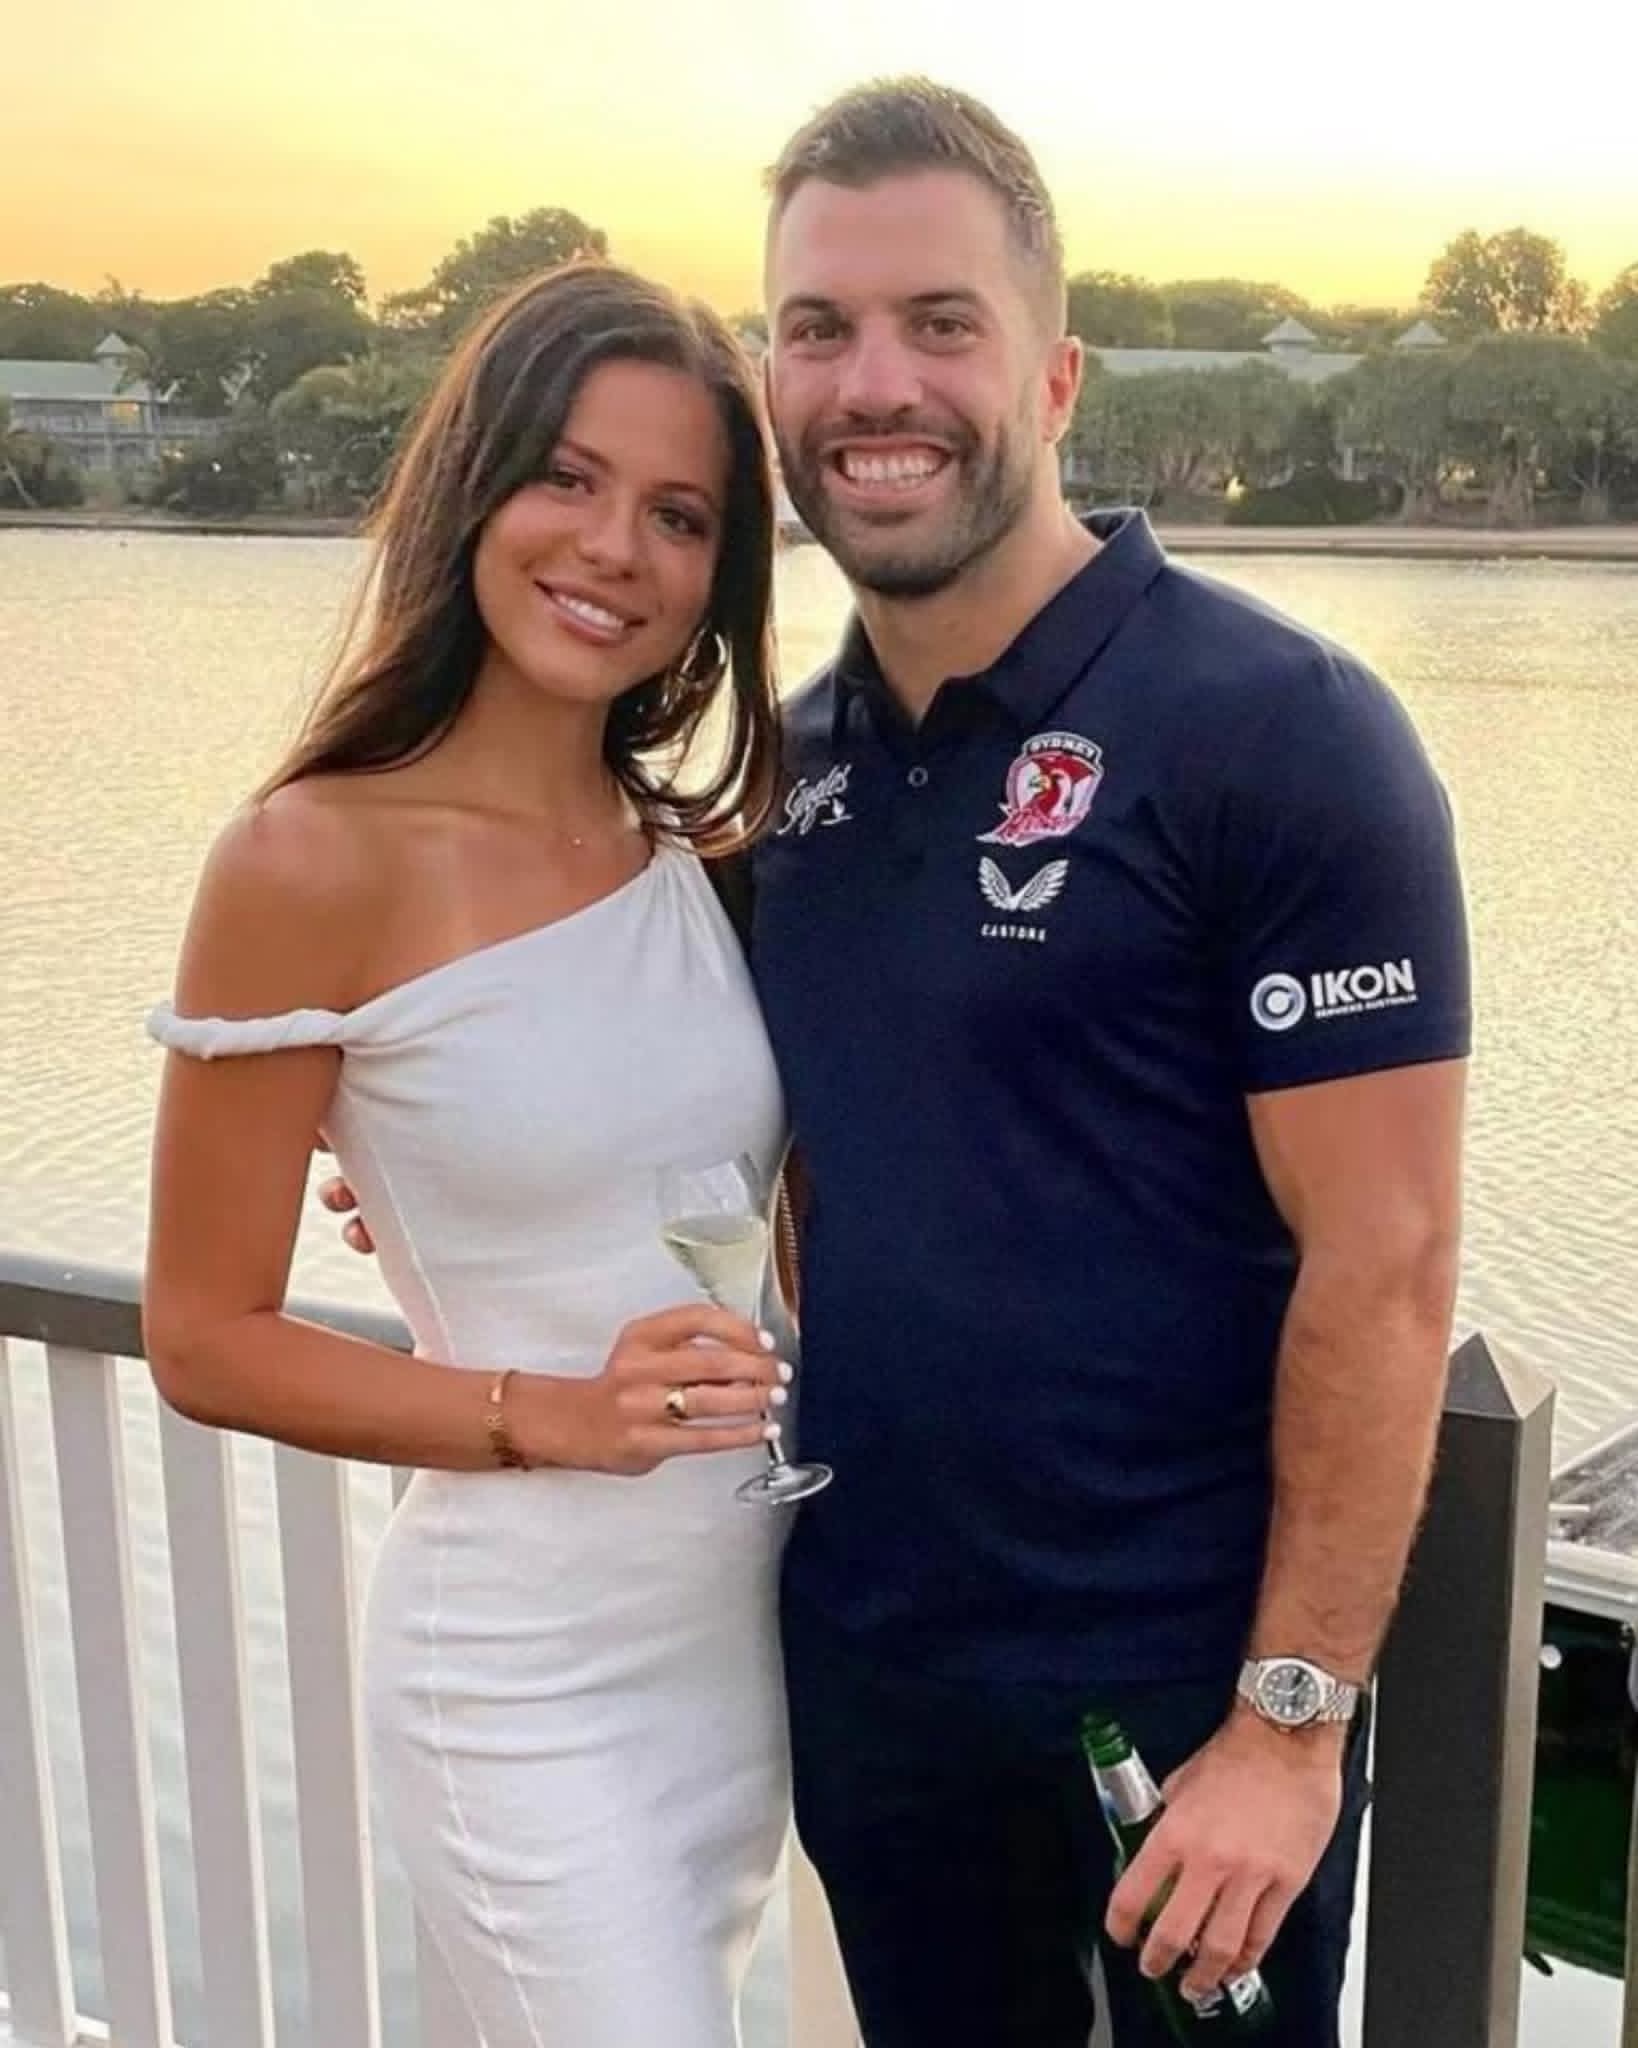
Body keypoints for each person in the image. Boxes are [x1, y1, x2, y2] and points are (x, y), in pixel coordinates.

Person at [326, 79, 1471, 2048]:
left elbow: (1389, 1260)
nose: (877, 384)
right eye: (819, 329)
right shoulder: (789, 779)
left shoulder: (1281, 732)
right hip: (865, 1674)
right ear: (774, 385)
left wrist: (1291, 1727)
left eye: (941, 323)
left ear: (1053, 374)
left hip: (1178, 1703)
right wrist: (455, 1147)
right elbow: (731, 1124)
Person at [142, 261, 797, 2048]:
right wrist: (554, 1410)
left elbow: (716, 1190)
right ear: (472, 485)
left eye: (678, 515)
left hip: (729, 1655)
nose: (612, 548)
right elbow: (202, 1338)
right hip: (525, 1676)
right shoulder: (307, 858)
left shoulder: (695, 855)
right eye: (565, 478)